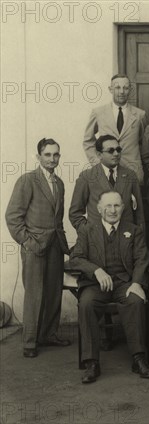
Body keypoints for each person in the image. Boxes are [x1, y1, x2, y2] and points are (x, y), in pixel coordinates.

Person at [69, 191, 149, 383]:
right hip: (96, 285)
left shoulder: (133, 230)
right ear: (99, 209)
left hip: (124, 283)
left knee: (136, 300)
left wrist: (136, 283)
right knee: (86, 304)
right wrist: (96, 271)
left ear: (123, 208)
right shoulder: (87, 230)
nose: (112, 210)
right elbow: (75, 259)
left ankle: (139, 358)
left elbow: (143, 259)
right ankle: (92, 363)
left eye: (116, 206)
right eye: (108, 206)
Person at [5, 138, 70, 358]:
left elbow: (58, 219)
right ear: (39, 157)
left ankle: (49, 334)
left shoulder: (59, 183)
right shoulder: (28, 180)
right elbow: (13, 216)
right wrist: (27, 241)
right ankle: (30, 342)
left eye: (56, 155)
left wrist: (64, 245)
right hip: (35, 246)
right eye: (48, 155)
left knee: (53, 291)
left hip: (55, 246)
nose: (53, 159)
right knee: (34, 293)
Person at [70, 134, 144, 232]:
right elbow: (75, 213)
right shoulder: (87, 177)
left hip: (126, 240)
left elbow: (139, 214)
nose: (116, 153)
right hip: (98, 241)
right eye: (111, 151)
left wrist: (138, 237)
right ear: (99, 154)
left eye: (118, 149)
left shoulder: (130, 175)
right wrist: (88, 233)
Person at [83, 74, 147, 182]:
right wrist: (97, 161)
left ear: (130, 90)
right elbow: (88, 140)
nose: (121, 92)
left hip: (132, 171)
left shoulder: (140, 115)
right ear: (110, 89)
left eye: (125, 88)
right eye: (117, 88)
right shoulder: (98, 113)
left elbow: (143, 143)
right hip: (107, 171)